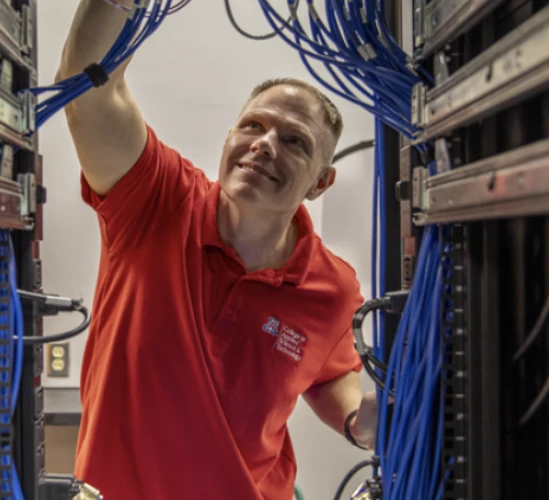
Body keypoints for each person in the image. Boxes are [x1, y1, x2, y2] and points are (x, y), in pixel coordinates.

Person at [57, 1, 379, 498]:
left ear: (320, 182)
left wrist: (359, 422)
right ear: (229, 138)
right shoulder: (156, 199)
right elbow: (88, 94)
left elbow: (330, 374)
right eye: (253, 126)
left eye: (294, 140)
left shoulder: (332, 287)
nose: (265, 143)